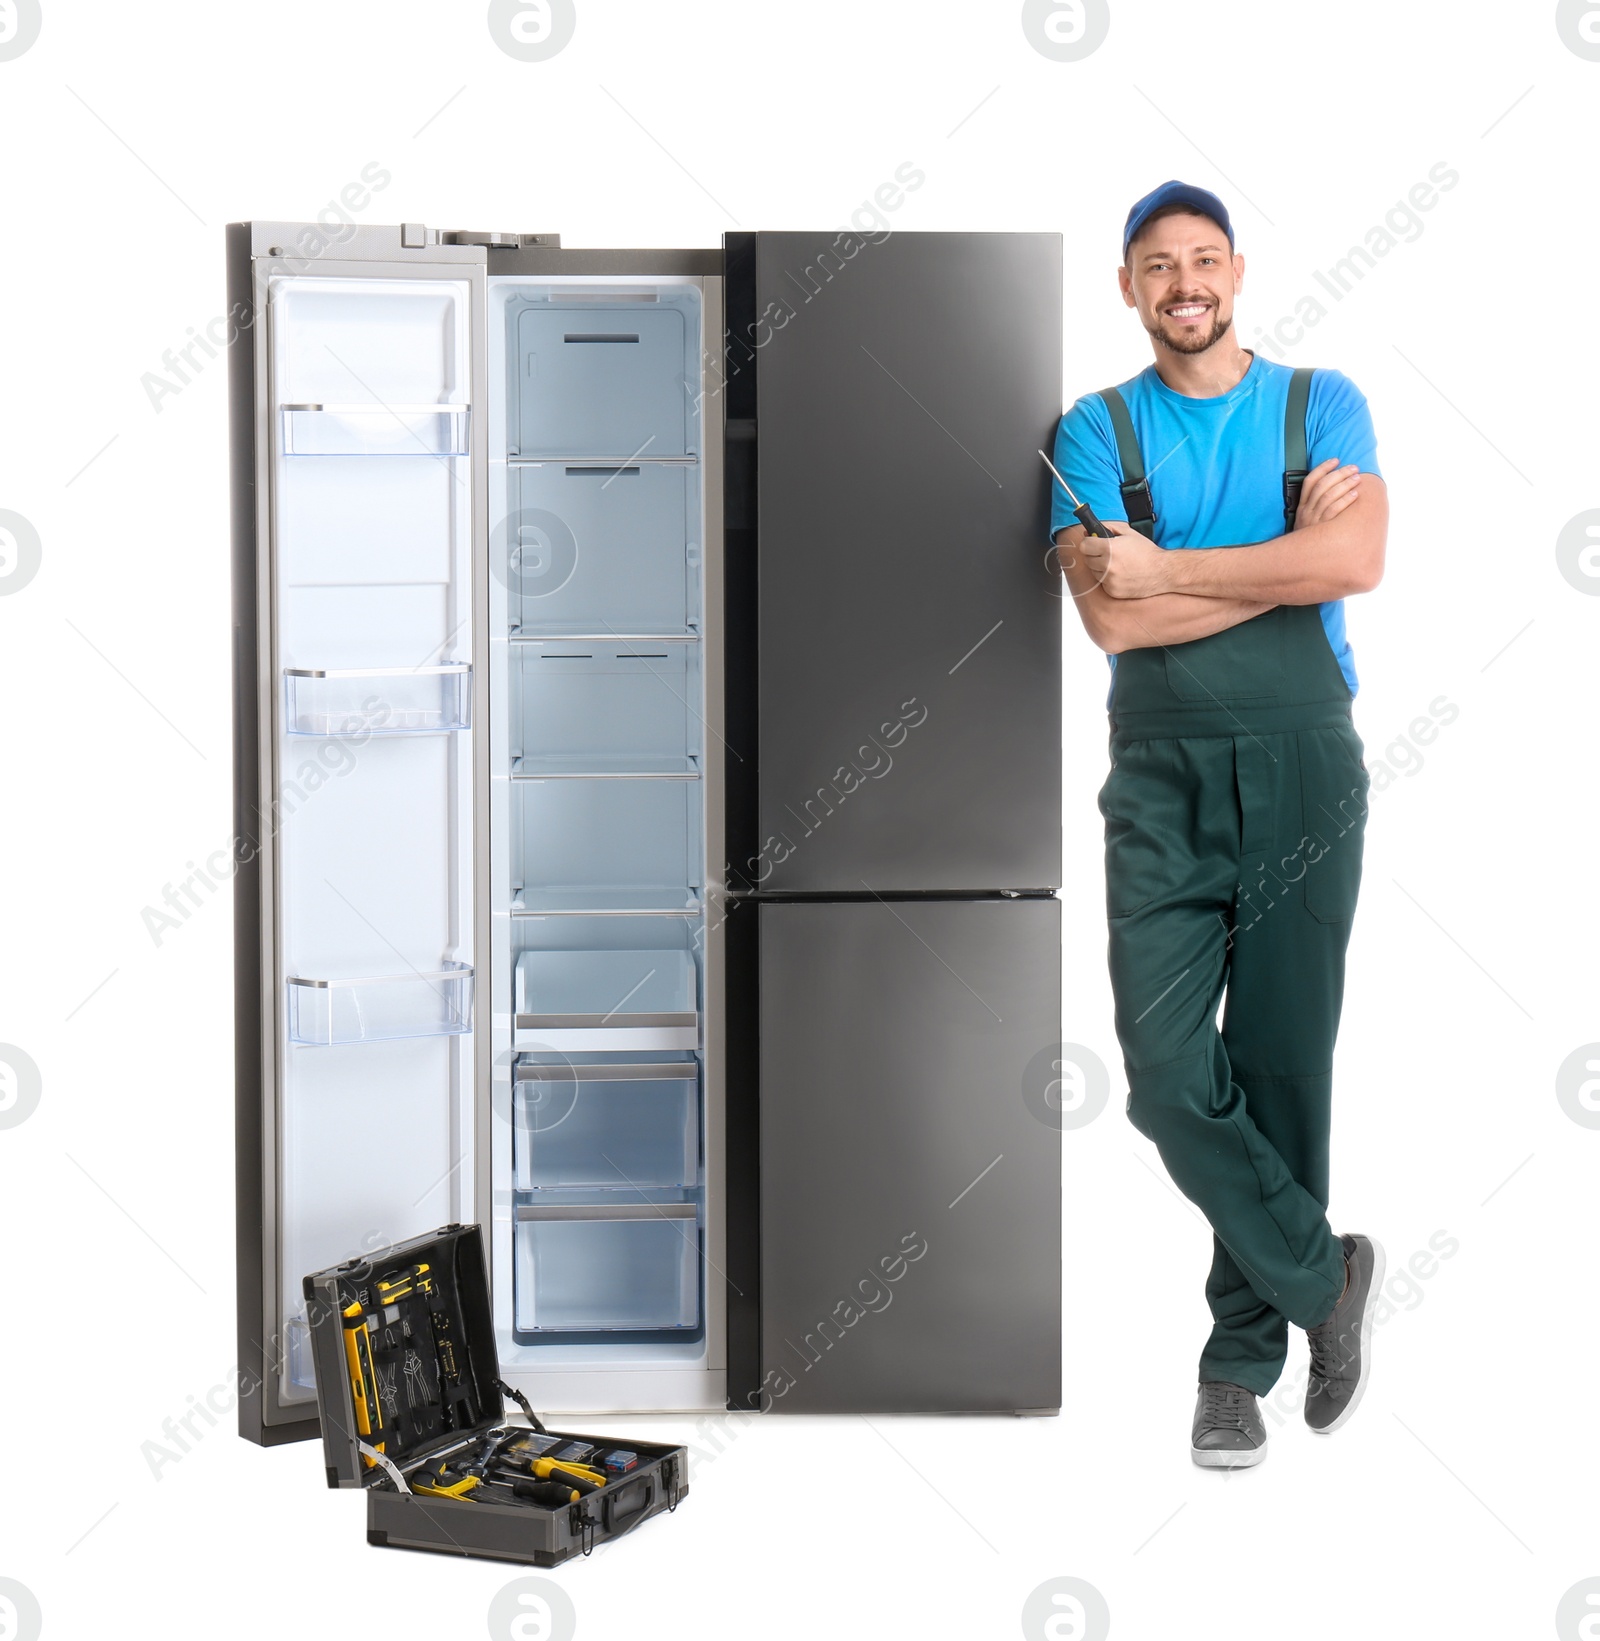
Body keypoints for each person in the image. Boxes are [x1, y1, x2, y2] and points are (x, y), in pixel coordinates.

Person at [1049, 181, 1388, 1469]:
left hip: (1307, 765)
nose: (1183, 283)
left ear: (1236, 273)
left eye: (1203, 261)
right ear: (1128, 289)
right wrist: (1271, 566)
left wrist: (1173, 565)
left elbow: (1352, 566)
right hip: (1161, 780)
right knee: (1167, 1073)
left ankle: (1235, 1370)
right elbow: (1114, 622)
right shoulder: (1092, 429)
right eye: (1156, 266)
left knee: (1286, 1068)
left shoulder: (1323, 404)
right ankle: (1325, 1282)